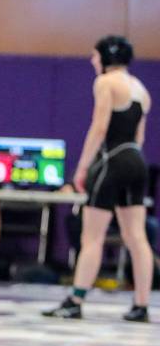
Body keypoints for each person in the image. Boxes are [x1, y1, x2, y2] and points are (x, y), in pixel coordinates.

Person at [44, 36, 152, 322]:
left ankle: (75, 300)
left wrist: (82, 168)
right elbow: (139, 136)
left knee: (92, 236)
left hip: (112, 160)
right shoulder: (141, 89)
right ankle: (141, 304)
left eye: (94, 56)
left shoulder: (105, 83)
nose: (93, 62)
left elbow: (99, 127)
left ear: (106, 57)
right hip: (136, 161)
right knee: (136, 236)